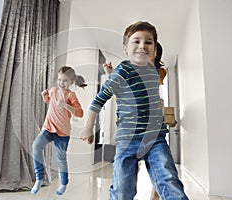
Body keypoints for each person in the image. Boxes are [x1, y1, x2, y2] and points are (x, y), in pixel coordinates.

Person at [81, 21, 189, 200]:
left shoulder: (155, 72)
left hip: (155, 138)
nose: (142, 46)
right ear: (125, 47)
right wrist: (88, 126)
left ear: (154, 50)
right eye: (136, 41)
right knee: (123, 190)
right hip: (128, 140)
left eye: (148, 42)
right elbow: (102, 96)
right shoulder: (123, 70)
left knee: (169, 180)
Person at [103, 42, 167, 200]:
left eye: (150, 50)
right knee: (127, 165)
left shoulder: (159, 71)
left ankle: (155, 194)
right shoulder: (130, 68)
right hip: (129, 123)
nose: (144, 50)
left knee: (158, 165)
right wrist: (110, 73)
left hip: (151, 121)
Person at [31, 66, 87, 195]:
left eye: (65, 81)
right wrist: (45, 97)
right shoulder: (53, 90)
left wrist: (67, 105)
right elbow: (50, 103)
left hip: (62, 132)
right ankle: (39, 178)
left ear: (72, 82)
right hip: (48, 127)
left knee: (61, 158)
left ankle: (64, 183)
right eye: (60, 79)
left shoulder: (71, 95)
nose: (62, 83)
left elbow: (80, 113)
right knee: (36, 146)